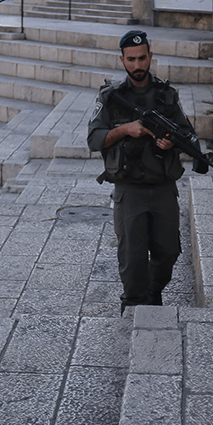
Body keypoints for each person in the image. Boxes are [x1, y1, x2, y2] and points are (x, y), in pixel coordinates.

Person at [88, 31, 203, 315]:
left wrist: (172, 142)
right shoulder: (111, 97)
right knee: (132, 255)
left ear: (150, 57)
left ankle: (152, 292)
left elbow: (188, 134)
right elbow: (93, 139)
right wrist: (126, 129)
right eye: (131, 60)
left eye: (142, 59)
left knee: (169, 252)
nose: (137, 65)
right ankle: (133, 303)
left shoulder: (166, 95)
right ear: (122, 60)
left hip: (163, 187)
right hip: (129, 189)